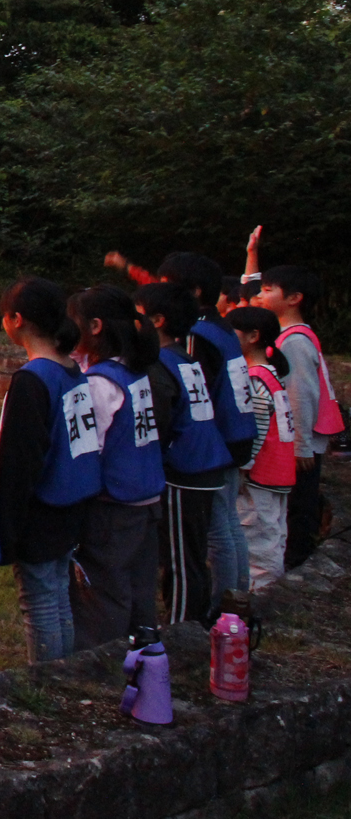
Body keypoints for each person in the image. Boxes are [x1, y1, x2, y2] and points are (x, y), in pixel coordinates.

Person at [0, 278, 100, 664]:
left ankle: (48, 683)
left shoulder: (33, 380)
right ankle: (64, 673)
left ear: (16, 320)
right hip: (72, 502)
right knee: (57, 595)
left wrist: (5, 528)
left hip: (43, 508)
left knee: (39, 604)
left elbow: (19, 463)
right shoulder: (72, 369)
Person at [153, 252, 254, 607]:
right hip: (237, 433)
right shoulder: (222, 326)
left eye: (165, 287)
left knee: (216, 528)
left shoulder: (195, 334)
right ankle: (238, 593)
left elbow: (196, 393)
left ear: (192, 292)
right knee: (227, 521)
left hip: (217, 440)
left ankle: (224, 602)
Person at [68, 287, 165, 650]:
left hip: (113, 505)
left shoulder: (99, 384)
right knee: (140, 586)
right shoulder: (132, 372)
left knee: (104, 591)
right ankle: (145, 653)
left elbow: (88, 449)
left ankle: (102, 664)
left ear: (94, 326)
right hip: (145, 498)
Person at [135, 281, 232, 628]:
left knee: (180, 558)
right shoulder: (183, 356)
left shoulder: (158, 363)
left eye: (138, 313)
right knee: (190, 552)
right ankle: (196, 620)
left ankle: (182, 632)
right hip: (205, 465)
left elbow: (161, 422)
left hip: (185, 470)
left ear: (157, 320)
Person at [245, 230, 340, 569]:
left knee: (299, 505)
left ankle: (297, 561)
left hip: (301, 445)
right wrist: (252, 255)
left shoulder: (293, 342)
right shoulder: (290, 335)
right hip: (303, 441)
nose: (260, 294)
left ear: (294, 298)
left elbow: (301, 395)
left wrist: (300, 446)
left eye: (269, 290)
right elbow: (248, 296)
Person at [228, 306, 296, 591]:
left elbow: (254, 429)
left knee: (257, 541)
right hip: (279, 473)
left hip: (259, 476)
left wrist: (243, 467)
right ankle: (270, 590)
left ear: (253, 336)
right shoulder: (271, 374)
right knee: (274, 535)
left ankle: (259, 598)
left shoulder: (253, 379)